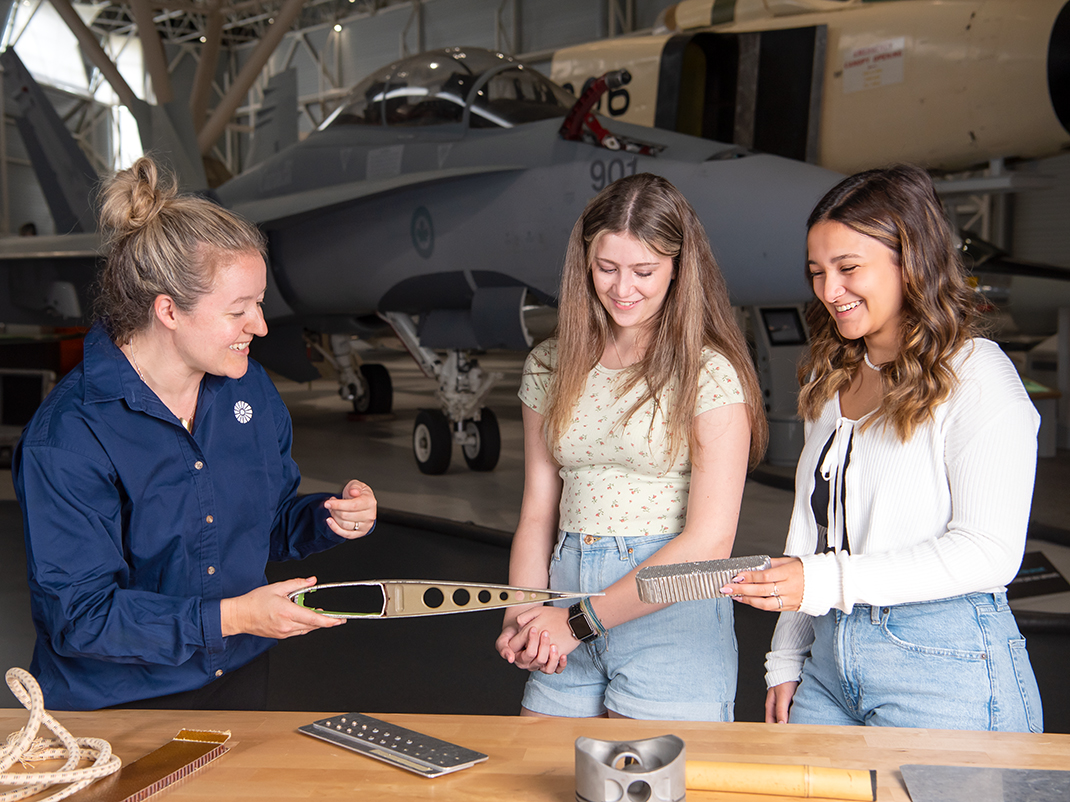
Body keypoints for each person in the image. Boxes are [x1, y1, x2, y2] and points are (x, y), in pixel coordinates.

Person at [13, 157, 377, 711]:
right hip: (118, 704)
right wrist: (235, 616)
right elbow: (82, 619)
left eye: (259, 304)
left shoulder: (247, 387)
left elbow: (268, 523)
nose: (258, 325)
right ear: (168, 311)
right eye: (239, 310)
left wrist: (328, 516)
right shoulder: (70, 436)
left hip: (237, 676)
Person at [724, 164, 1043, 732]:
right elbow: (810, 538)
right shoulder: (833, 383)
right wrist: (786, 658)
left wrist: (820, 583)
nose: (828, 291)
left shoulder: (977, 375)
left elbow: (989, 551)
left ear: (911, 260)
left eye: (848, 268)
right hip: (829, 662)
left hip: (944, 667)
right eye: (817, 272)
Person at [495, 173, 767, 720]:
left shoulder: (709, 373)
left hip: (669, 609)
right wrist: (520, 613)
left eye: (644, 271)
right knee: (533, 779)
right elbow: (537, 512)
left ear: (679, 269)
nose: (623, 289)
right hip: (564, 595)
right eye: (606, 268)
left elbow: (710, 542)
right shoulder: (550, 364)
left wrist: (578, 621)